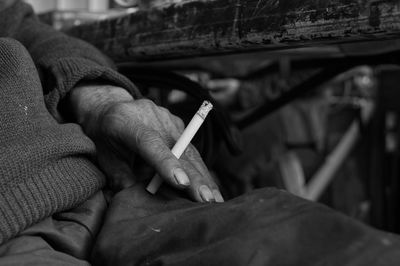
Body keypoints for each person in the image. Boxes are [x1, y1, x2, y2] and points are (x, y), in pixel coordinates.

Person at [0, 1, 400, 265]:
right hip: (14, 226)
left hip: (106, 188)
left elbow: (21, 25)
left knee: (340, 250)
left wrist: (101, 96)